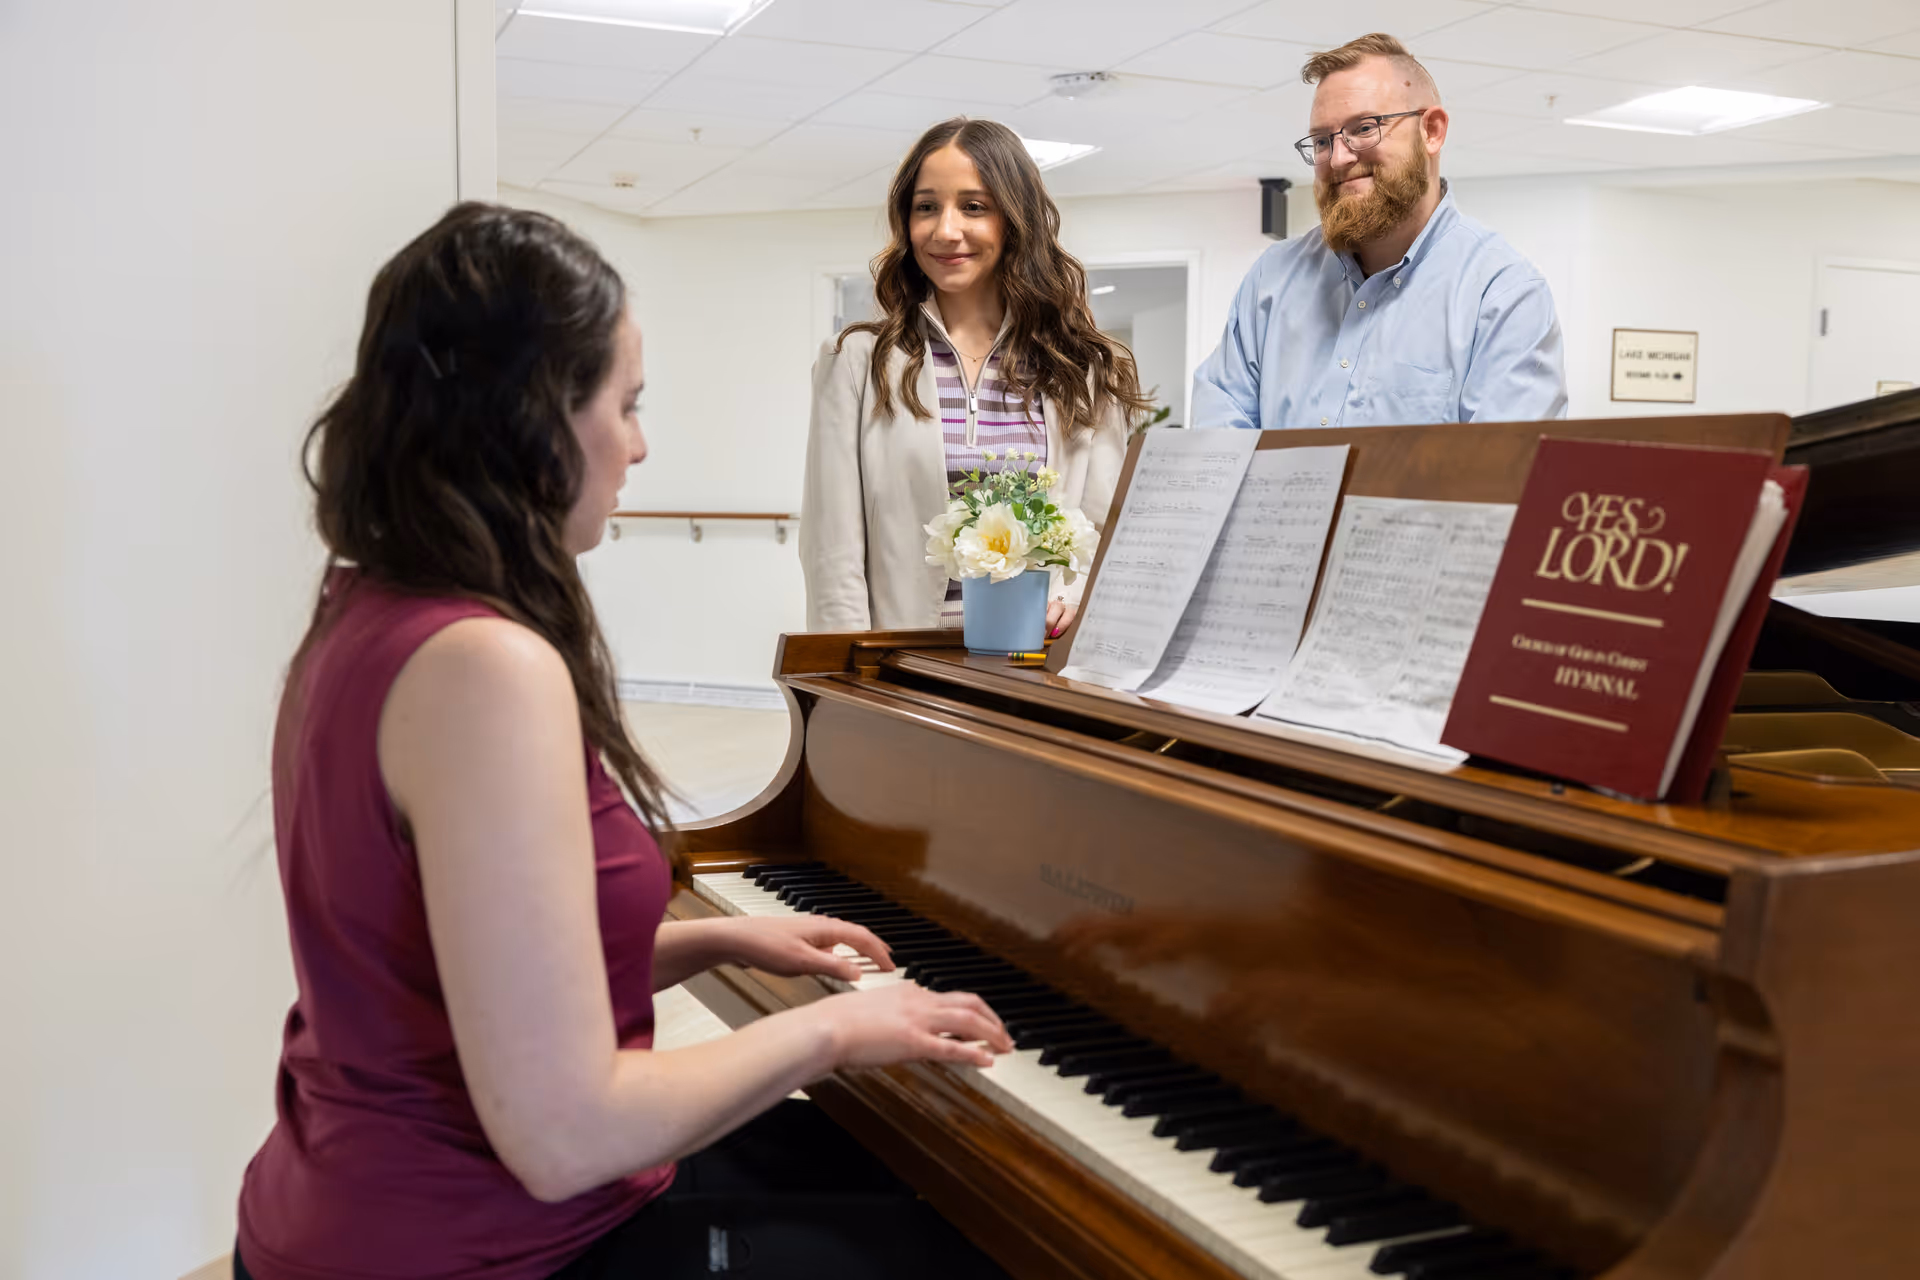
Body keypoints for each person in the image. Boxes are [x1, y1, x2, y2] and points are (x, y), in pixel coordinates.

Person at [233, 202, 1012, 1280]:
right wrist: (833, 1033)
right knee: (975, 1231)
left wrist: (725, 941)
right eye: (627, 404)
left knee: (906, 1168)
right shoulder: (483, 667)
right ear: (531, 417)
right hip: (474, 1245)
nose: (640, 444)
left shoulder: (367, 606)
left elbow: (476, 969)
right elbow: (565, 1136)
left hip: (356, 1203)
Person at [802, 117, 1151, 637]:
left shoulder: (1085, 368)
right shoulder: (857, 360)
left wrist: (1075, 600)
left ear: (1014, 218)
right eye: (926, 207)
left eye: (973, 206)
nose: (945, 230)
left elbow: (1102, 527)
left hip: (1034, 662)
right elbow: (833, 552)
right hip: (903, 668)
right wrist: (849, 676)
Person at [1192, 33, 1569, 431]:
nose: (1338, 157)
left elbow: (1507, 473)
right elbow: (1217, 438)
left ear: (1432, 131)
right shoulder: (1273, 279)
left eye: (1365, 128)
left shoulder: (1502, 293)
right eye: (1322, 140)